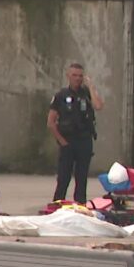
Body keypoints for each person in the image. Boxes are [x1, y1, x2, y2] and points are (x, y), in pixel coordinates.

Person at [48, 62, 104, 204]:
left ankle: (80, 206)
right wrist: (62, 142)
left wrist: (91, 86)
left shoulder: (86, 93)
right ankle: (57, 207)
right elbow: (51, 122)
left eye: (80, 76)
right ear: (68, 76)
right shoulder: (61, 95)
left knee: (82, 178)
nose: (77, 79)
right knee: (63, 178)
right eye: (74, 75)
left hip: (84, 141)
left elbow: (98, 106)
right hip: (67, 141)